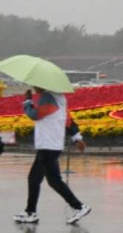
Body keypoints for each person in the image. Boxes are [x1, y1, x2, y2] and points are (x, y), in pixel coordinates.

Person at [13, 87, 90, 225]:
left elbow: (35, 115)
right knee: (34, 179)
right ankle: (30, 212)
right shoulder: (60, 98)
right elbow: (68, 120)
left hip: (48, 145)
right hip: (51, 145)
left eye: (36, 85)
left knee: (54, 181)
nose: (34, 87)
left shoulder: (48, 98)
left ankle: (79, 207)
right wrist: (77, 138)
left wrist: (27, 101)